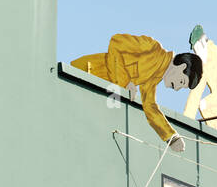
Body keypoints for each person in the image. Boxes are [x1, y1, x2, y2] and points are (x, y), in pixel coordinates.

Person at [72, 34, 202, 151]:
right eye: (181, 82)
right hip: (84, 74)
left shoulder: (155, 76)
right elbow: (116, 41)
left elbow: (149, 106)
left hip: (100, 92)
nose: (177, 88)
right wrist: (125, 81)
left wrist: (171, 137)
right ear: (182, 66)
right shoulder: (152, 47)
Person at [182, 24, 217, 132]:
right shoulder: (203, 63)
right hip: (215, 100)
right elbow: (195, 92)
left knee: (203, 105)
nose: (196, 53)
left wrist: (207, 102)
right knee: (202, 105)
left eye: (196, 49)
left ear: (203, 42)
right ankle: (216, 131)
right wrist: (186, 120)